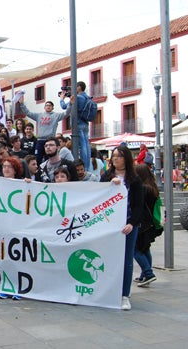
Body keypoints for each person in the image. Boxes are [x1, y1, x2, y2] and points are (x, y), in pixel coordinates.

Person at [100, 145, 144, 311]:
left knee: (127, 260)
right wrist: (110, 185)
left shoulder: (135, 180)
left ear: (126, 158)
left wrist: (132, 223)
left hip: (128, 224)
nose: (115, 159)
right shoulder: (106, 176)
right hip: (109, 224)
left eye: (119, 156)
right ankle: (108, 290)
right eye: (114, 156)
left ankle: (124, 295)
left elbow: (139, 205)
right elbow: (98, 196)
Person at [14, 93, 71, 165]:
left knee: (49, 159)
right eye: (46, 105)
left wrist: (70, 104)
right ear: (44, 107)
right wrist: (21, 104)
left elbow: (66, 113)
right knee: (37, 158)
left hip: (49, 141)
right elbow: (28, 113)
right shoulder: (39, 115)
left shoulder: (56, 116)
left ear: (53, 108)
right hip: (40, 141)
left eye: (50, 105)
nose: (48, 106)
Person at [134, 164, 159, 287]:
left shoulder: (143, 188)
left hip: (142, 223)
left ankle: (148, 273)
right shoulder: (152, 188)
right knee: (145, 248)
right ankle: (145, 275)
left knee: (135, 249)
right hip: (150, 223)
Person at [60, 81, 93, 170]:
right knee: (86, 145)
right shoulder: (87, 97)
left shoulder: (78, 97)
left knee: (82, 146)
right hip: (85, 123)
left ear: (79, 87)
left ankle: (85, 167)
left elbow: (64, 106)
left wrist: (61, 98)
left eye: (75, 86)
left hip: (78, 123)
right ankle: (87, 166)